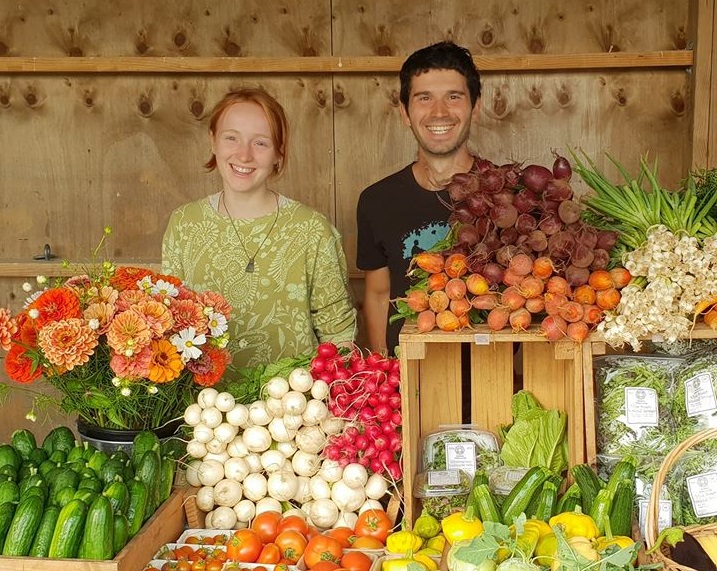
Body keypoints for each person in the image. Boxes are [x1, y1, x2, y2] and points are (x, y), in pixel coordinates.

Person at [163, 88, 357, 369]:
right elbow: (170, 321)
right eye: (231, 138)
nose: (244, 155)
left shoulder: (312, 230)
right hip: (203, 407)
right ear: (213, 142)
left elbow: (338, 334)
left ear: (279, 153)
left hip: (295, 404)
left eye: (261, 143)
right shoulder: (184, 224)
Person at [356, 41, 482, 354]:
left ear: (475, 108)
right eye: (424, 98)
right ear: (405, 113)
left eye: (453, 97)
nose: (439, 112)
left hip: (492, 375)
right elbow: (377, 293)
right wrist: (385, 371)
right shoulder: (377, 201)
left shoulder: (510, 200)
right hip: (410, 379)